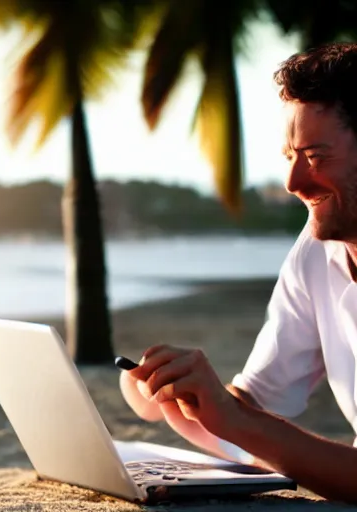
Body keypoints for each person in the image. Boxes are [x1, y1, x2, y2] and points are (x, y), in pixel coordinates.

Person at [120, 42, 357, 504]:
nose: (293, 184)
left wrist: (235, 418)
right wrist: (179, 395)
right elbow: (254, 411)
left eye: (316, 157)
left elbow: (247, 423)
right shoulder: (316, 253)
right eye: (291, 156)